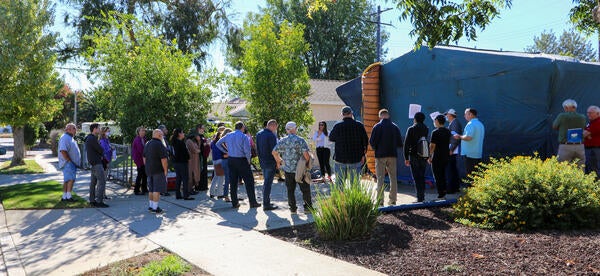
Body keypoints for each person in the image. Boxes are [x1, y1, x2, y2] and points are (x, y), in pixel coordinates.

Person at [216, 121, 261, 209]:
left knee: (233, 182)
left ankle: (235, 203)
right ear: (242, 128)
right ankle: (252, 202)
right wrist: (248, 160)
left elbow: (218, 143)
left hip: (231, 159)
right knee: (249, 181)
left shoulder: (228, 135)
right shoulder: (244, 136)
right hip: (242, 160)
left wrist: (226, 151)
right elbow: (247, 150)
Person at [272, 122, 313, 214]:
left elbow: (274, 152)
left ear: (287, 130)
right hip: (300, 170)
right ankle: (308, 208)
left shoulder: (282, 140)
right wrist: (307, 165)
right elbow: (306, 155)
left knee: (290, 190)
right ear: (295, 129)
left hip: (288, 170)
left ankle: (293, 209)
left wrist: (280, 161)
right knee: (305, 189)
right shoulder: (300, 140)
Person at [369, 109, 403, 206]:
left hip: (380, 155)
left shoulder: (377, 127)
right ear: (388, 115)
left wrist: (376, 149)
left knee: (380, 178)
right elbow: (400, 143)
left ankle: (380, 201)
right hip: (392, 155)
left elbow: (372, 142)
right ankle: (393, 201)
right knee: (393, 178)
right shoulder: (395, 127)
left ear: (380, 116)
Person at [329, 106, 369, 186]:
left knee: (340, 184)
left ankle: (340, 198)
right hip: (355, 159)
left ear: (342, 114)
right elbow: (365, 141)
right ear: (351, 114)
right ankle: (353, 199)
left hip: (340, 158)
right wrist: (363, 155)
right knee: (354, 184)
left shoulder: (337, 126)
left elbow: (331, 138)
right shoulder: (359, 125)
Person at [453, 108, 485, 181]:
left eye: (465, 114)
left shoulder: (471, 124)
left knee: (470, 175)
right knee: (476, 175)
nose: (464, 116)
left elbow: (468, 137)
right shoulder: (480, 124)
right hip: (477, 153)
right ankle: (476, 191)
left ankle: (471, 191)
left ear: (470, 114)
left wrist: (459, 136)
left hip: (469, 154)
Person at [552, 99, 586, 168]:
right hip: (580, 146)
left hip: (565, 146)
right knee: (580, 169)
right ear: (575, 107)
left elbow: (554, 126)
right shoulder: (582, 117)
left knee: (562, 168)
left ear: (566, 107)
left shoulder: (562, 116)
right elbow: (584, 128)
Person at [404, 112, 429, 203]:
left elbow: (406, 144)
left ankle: (419, 197)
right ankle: (422, 196)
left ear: (415, 119)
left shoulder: (411, 129)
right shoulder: (426, 128)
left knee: (416, 176)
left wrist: (406, 157)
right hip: (424, 155)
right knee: (422, 176)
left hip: (414, 155)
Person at [144, 129, 169, 213]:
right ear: (159, 135)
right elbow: (164, 160)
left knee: (151, 189)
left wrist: (147, 165)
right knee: (156, 189)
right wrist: (165, 170)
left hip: (149, 169)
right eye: (162, 135)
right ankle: (155, 208)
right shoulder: (160, 145)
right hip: (158, 170)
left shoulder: (147, 143)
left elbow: (144, 157)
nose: (163, 137)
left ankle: (151, 206)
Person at [256, 119, 279, 210]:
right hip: (270, 162)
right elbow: (274, 151)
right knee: (267, 184)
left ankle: (266, 202)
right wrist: (278, 162)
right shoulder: (271, 135)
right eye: (276, 127)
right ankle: (266, 204)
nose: (275, 129)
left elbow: (257, 148)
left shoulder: (259, 134)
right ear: (273, 126)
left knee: (266, 183)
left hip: (262, 161)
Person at [428, 115, 451, 200]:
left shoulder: (435, 132)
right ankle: (444, 192)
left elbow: (432, 146)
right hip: (446, 156)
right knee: (443, 175)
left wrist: (429, 156)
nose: (434, 122)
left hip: (437, 157)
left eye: (434, 120)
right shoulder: (448, 131)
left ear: (437, 121)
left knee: (437, 176)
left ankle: (441, 194)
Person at [85, 123, 108, 208]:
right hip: (97, 163)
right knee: (102, 181)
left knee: (93, 183)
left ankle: (92, 200)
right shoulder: (92, 139)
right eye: (98, 128)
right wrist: (102, 151)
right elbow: (100, 150)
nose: (99, 130)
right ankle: (99, 201)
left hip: (93, 163)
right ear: (94, 129)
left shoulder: (89, 138)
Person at [58, 123, 81, 201]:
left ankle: (65, 196)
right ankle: (68, 196)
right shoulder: (65, 138)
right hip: (68, 163)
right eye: (74, 128)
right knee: (70, 179)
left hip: (70, 163)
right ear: (68, 129)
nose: (76, 130)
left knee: (67, 180)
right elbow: (63, 150)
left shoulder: (70, 138)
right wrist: (69, 160)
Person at [171, 128, 193, 200]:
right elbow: (185, 153)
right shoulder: (180, 143)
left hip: (176, 162)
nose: (184, 134)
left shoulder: (174, 142)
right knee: (185, 178)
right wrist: (188, 157)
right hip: (182, 162)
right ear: (179, 134)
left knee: (178, 178)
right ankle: (186, 195)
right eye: (183, 133)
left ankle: (178, 194)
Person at [444, 108, 463, 194]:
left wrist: (451, 149)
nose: (446, 116)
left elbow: (455, 138)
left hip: (452, 150)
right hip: (452, 149)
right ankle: (455, 187)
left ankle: (451, 188)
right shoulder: (453, 123)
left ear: (451, 115)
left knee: (450, 169)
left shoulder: (455, 123)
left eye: (447, 115)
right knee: (453, 169)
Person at [209, 127, 226, 199]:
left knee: (216, 176)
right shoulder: (220, 143)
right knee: (221, 177)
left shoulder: (212, 143)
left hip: (214, 160)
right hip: (220, 160)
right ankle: (219, 193)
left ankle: (212, 192)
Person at [584, 105, 600, 178]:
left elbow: (585, 134)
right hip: (589, 149)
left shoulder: (598, 122)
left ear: (597, 113)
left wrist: (587, 134)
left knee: (595, 169)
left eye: (591, 113)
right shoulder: (590, 122)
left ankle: (596, 186)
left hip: (595, 150)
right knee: (590, 168)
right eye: (588, 113)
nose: (588, 114)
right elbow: (586, 134)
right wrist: (588, 135)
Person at [132, 126, 148, 195]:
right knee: (140, 174)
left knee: (145, 174)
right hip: (139, 159)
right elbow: (140, 149)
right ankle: (136, 190)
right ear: (138, 132)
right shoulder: (137, 139)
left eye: (144, 130)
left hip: (144, 159)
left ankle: (144, 188)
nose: (144, 132)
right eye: (142, 130)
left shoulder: (144, 139)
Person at [220, 128, 233, 202]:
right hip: (225, 161)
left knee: (231, 179)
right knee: (227, 179)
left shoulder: (229, 142)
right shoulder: (222, 143)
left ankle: (230, 195)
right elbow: (224, 155)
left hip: (230, 161)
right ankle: (226, 196)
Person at [157, 124, 171, 196]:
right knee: (163, 175)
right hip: (163, 159)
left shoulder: (163, 139)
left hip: (163, 159)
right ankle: (163, 190)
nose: (167, 130)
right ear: (162, 131)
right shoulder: (161, 139)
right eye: (165, 129)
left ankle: (162, 190)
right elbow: (164, 149)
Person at [196, 124, 211, 191]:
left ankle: (204, 186)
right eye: (202, 128)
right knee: (201, 171)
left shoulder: (202, 136)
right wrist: (206, 143)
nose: (203, 129)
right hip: (200, 157)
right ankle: (200, 186)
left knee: (204, 171)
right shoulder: (197, 136)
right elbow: (199, 146)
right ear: (199, 128)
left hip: (204, 156)